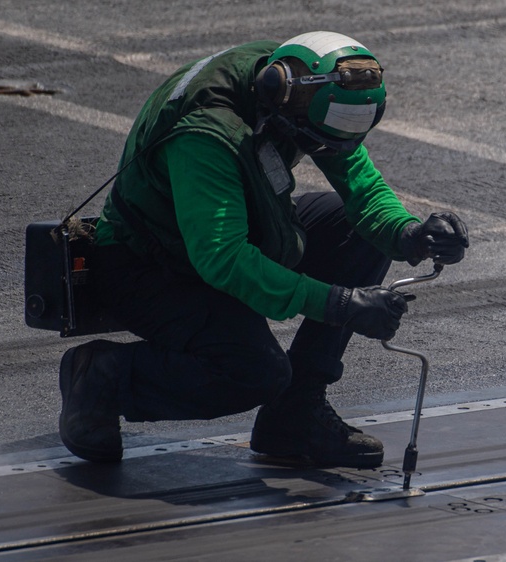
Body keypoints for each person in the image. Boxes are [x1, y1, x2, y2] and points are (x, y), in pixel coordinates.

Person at [57, 31, 469, 469]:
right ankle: (104, 376)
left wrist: (408, 233)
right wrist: (340, 303)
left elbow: (360, 184)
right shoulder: (206, 132)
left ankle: (295, 416)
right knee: (256, 373)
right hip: (149, 266)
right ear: (278, 97)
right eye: (313, 142)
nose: (322, 152)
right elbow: (223, 259)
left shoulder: (301, 79)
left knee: (354, 229)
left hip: (226, 235)